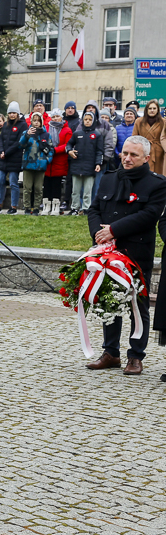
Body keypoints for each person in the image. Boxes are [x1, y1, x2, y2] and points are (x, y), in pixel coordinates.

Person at [89, 136, 166, 376]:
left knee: (137, 305)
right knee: (109, 301)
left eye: (133, 155)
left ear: (146, 158)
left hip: (136, 252)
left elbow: (150, 214)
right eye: (125, 153)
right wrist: (100, 235)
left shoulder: (157, 183)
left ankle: (135, 356)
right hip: (108, 251)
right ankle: (111, 352)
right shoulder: (110, 178)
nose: (127, 158)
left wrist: (114, 230)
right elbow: (94, 209)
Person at [0, 102, 28, 215]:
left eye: (14, 113)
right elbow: (1, 139)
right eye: (10, 113)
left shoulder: (22, 125)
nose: (12, 115)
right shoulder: (6, 124)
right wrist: (1, 151)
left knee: (13, 182)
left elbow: (19, 142)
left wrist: (6, 152)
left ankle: (13, 206)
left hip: (14, 158)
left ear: (17, 113)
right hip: (3, 158)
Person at [66, 110, 104, 214]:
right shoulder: (77, 133)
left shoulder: (97, 135)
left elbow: (99, 151)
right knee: (75, 191)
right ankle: (74, 208)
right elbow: (68, 145)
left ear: (94, 121)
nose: (87, 121)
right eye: (86, 119)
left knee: (87, 191)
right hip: (76, 165)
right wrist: (69, 151)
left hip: (90, 166)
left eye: (90, 119)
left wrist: (98, 164)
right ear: (82, 120)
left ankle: (86, 208)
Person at [18, 112, 52, 215]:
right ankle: (27, 207)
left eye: (38, 121)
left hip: (40, 164)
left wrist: (47, 160)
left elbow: (51, 149)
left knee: (38, 188)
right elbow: (21, 145)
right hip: (28, 164)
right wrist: (27, 135)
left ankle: (36, 207)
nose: (36, 123)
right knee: (27, 188)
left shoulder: (46, 135)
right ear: (31, 121)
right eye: (34, 120)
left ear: (41, 122)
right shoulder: (26, 133)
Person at [43, 110, 70, 215]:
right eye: (53, 116)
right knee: (46, 184)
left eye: (57, 116)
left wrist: (55, 150)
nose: (55, 118)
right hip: (47, 161)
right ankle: (46, 205)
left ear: (61, 117)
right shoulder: (46, 128)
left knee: (56, 185)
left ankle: (56, 206)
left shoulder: (66, 130)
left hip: (59, 160)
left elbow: (67, 144)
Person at [134, 101, 165, 176]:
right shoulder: (139, 121)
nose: (152, 110)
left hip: (159, 152)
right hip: (143, 150)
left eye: (154, 108)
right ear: (146, 110)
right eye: (150, 108)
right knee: (144, 174)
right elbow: (134, 137)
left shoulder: (163, 122)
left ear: (158, 110)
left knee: (158, 174)